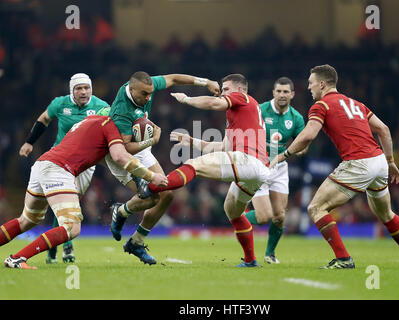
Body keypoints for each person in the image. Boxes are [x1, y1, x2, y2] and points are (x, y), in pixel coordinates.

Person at [271, 64, 399, 269]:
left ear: (322, 84)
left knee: (316, 208)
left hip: (358, 163)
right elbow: (383, 130)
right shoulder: (357, 104)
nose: (309, 88)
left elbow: (308, 135)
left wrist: (285, 155)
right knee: (386, 214)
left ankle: (343, 259)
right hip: (378, 161)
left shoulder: (321, 105)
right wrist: (390, 162)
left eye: (311, 83)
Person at [1, 115, 167, 269]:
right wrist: (151, 174)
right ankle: (18, 258)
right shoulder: (109, 127)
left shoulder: (90, 120)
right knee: (71, 227)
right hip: (59, 170)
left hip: (43, 164)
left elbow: (104, 157)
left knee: (27, 220)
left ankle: (17, 258)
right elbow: (120, 157)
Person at [143, 73, 271, 267]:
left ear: (241, 89)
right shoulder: (239, 114)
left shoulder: (243, 98)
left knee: (194, 165)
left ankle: (154, 188)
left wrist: (186, 99)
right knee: (233, 212)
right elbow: (223, 147)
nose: (222, 92)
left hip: (248, 161)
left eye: (226, 89)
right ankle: (251, 260)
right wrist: (192, 141)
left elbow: (213, 104)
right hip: (257, 170)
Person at [105, 71, 220, 265]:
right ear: (132, 89)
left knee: (167, 193)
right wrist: (153, 140)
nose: (148, 98)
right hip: (121, 155)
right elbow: (124, 148)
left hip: (141, 149)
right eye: (144, 94)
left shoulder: (145, 86)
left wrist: (206, 81)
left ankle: (135, 240)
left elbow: (174, 78)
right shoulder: (121, 110)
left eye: (150, 93)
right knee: (152, 198)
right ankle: (121, 212)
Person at [19, 73, 110, 264]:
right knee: (60, 202)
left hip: (85, 162)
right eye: (79, 88)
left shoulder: (101, 106)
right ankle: (64, 246)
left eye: (87, 88)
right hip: (59, 160)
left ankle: (57, 245)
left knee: (70, 202)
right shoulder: (60, 104)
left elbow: (110, 129)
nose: (83, 92)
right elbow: (43, 119)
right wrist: (29, 142)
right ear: (72, 90)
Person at [243, 77, 305, 264]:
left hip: (279, 167)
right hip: (258, 166)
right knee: (263, 217)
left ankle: (270, 254)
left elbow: (303, 144)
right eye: (278, 91)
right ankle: (237, 216)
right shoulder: (260, 110)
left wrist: (294, 151)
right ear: (273, 93)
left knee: (279, 216)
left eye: (286, 92)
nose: (282, 95)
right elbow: (244, 131)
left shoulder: (296, 118)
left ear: (292, 94)